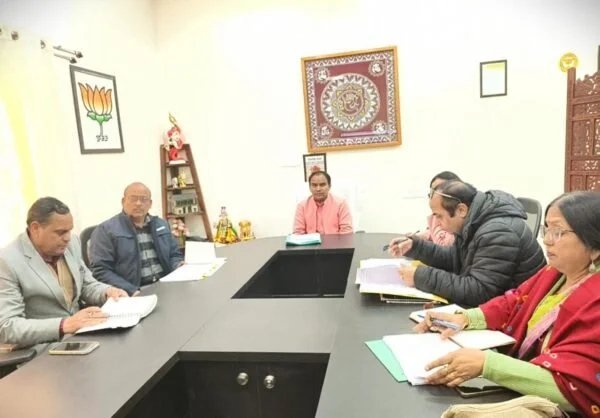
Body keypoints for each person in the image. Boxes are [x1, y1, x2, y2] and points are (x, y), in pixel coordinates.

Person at [415, 191, 600, 417]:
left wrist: (488, 364)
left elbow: (580, 388)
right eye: (546, 230)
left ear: (595, 245)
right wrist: (464, 318)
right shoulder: (555, 273)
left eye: (558, 232)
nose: (547, 240)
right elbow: (514, 301)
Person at [389, 180, 545, 306]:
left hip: (517, 316)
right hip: (501, 305)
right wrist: (416, 247)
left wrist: (420, 276)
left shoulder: (498, 232)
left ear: (461, 210)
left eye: (439, 216)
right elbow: (454, 258)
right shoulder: (474, 221)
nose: (437, 222)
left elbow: (479, 291)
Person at [0, 197, 127, 348]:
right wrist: (64, 325)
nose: (67, 238)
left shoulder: (72, 243)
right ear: (35, 228)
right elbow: (8, 327)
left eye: (69, 230)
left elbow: (86, 285)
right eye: (60, 232)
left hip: (81, 337)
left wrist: (107, 292)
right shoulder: (7, 261)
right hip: (41, 350)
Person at [89, 182, 183, 295]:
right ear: (123, 201)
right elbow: (101, 270)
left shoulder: (161, 225)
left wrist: (178, 265)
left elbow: (174, 255)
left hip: (166, 287)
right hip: (132, 293)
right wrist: (131, 291)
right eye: (133, 199)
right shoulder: (106, 230)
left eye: (143, 199)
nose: (138, 203)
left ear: (150, 204)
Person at [415, 171, 461, 246]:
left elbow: (444, 244)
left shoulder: (460, 216)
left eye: (440, 192)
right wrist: (416, 237)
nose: (433, 197)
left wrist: (436, 217)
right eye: (432, 193)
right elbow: (433, 233)